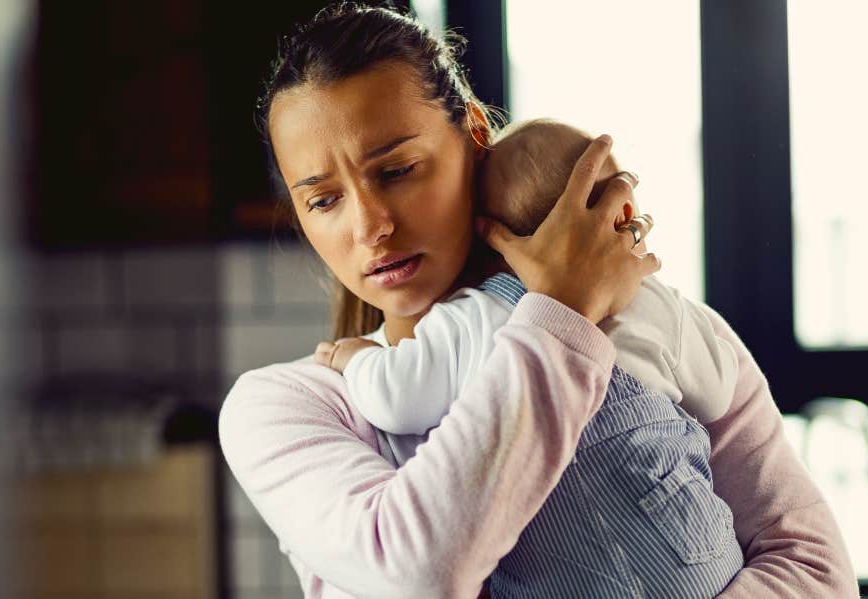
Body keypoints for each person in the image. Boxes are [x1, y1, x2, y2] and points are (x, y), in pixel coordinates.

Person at [218, 4, 859, 598]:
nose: (369, 226)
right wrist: (559, 316)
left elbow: (816, 573)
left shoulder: (659, 326)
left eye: (396, 170)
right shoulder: (284, 410)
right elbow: (420, 570)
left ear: (473, 132)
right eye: (324, 200)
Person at [315, 118, 746, 597]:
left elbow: (397, 399)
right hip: (699, 563)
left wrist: (356, 359)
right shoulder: (660, 304)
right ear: (623, 214)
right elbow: (718, 395)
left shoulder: (472, 315)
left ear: (487, 234)